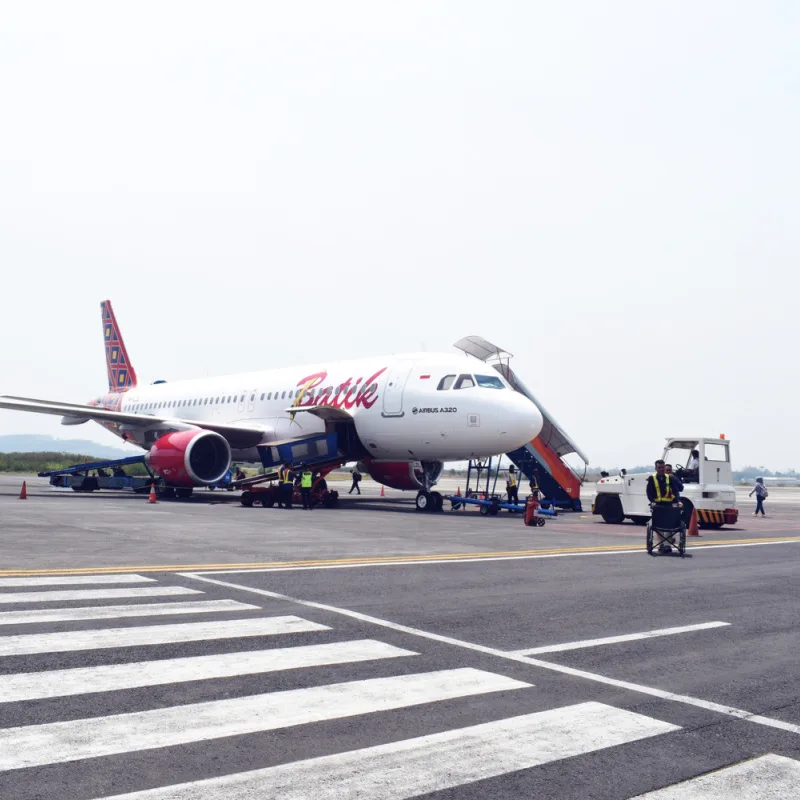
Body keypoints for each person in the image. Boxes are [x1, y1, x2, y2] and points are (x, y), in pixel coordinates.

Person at [646, 460, 684, 552]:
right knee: (657, 525)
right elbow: (649, 493)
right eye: (659, 468)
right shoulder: (652, 478)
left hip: (669, 505)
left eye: (662, 467)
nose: (661, 469)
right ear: (656, 468)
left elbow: (676, 491)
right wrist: (652, 502)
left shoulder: (670, 478)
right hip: (658, 505)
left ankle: (667, 545)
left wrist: (679, 501)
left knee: (670, 524)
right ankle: (661, 544)